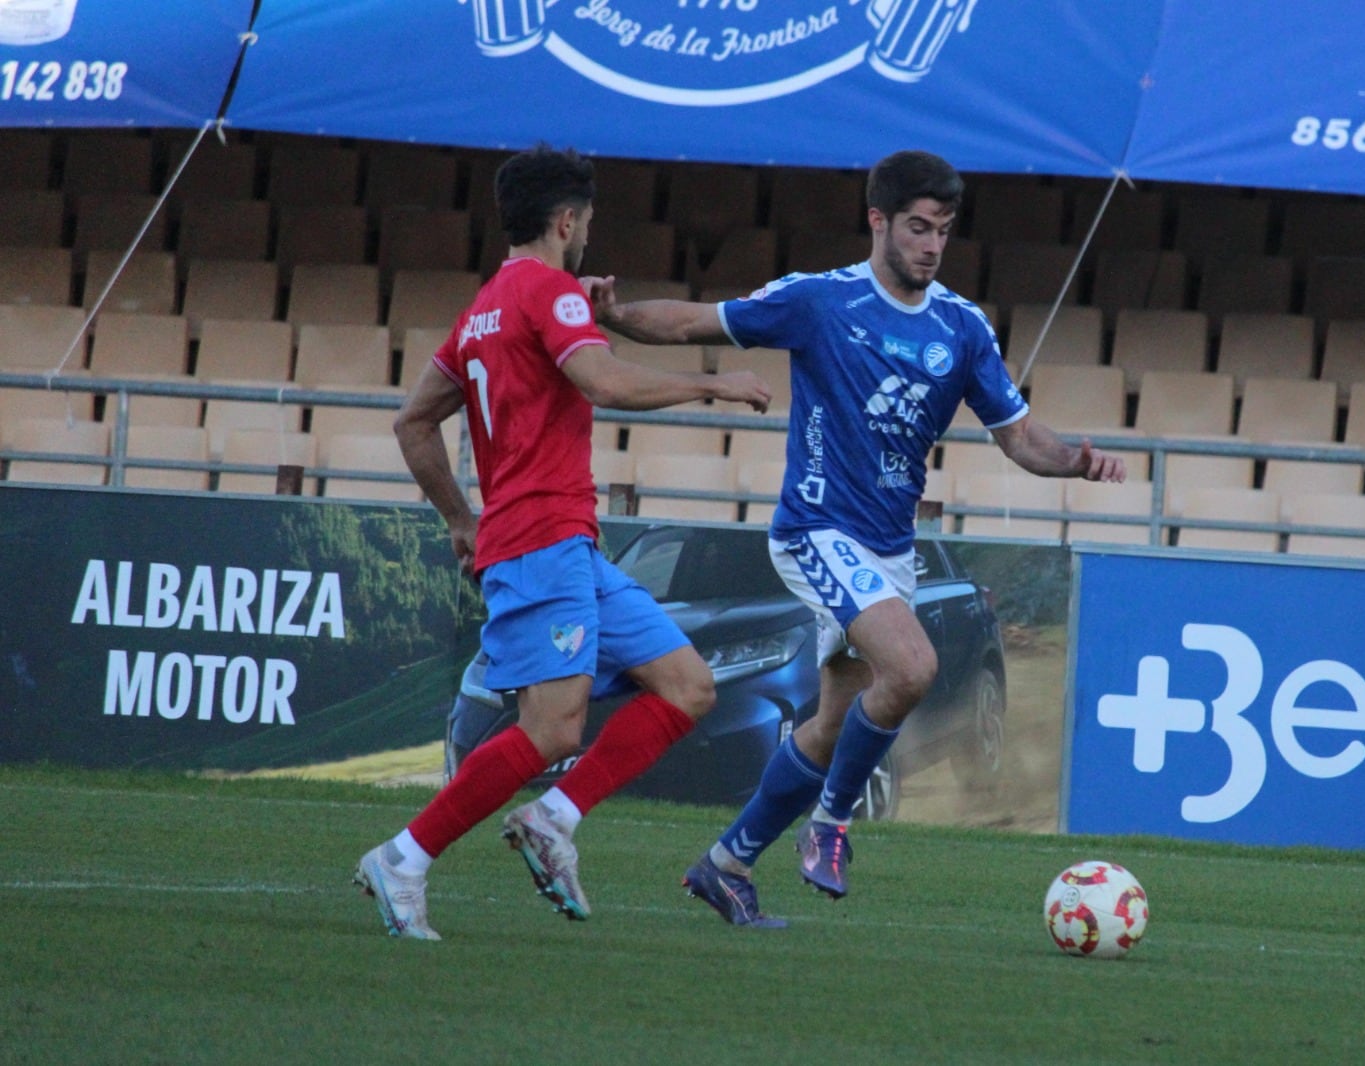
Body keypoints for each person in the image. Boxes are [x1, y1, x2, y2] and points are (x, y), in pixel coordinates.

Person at [586, 150, 1126, 928]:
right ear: (877, 221)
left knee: (835, 721)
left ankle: (727, 864)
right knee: (912, 667)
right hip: (815, 530)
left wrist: (1077, 459)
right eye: (917, 227)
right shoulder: (820, 301)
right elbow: (701, 319)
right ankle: (831, 825)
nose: (932, 245)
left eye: (942, 229)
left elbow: (1020, 439)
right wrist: (618, 316)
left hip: (888, 550)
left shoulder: (961, 327)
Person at [353, 144, 772, 940]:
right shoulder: (549, 292)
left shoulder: (485, 306)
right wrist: (712, 382)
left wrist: (460, 519)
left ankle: (552, 819)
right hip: (540, 542)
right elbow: (605, 382)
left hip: (564, 544)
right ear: (568, 220)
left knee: (687, 686)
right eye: (587, 223)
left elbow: (413, 422)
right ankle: (404, 857)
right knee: (552, 729)